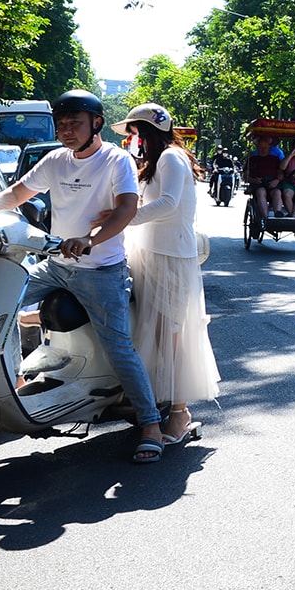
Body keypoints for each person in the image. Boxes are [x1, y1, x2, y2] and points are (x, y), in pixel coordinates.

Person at [0, 90, 167, 464]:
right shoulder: (56, 160)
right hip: (56, 264)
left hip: (102, 271)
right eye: (62, 123)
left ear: (96, 124)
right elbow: (18, 193)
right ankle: (13, 379)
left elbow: (126, 209)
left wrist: (90, 239)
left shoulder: (114, 160)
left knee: (118, 347)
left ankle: (150, 425)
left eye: (75, 123)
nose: (67, 130)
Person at [122, 104, 219, 446]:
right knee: (152, 329)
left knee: (172, 333)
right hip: (148, 252)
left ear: (146, 132)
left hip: (170, 255)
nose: (131, 140)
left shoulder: (171, 157)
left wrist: (124, 218)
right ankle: (158, 401)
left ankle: (181, 411)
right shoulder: (153, 161)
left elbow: (168, 203)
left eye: (134, 132)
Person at [245, 134, 283, 216]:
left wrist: (277, 180)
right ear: (257, 148)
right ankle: (265, 218)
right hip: (258, 184)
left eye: (265, 148)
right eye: (260, 148)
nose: (262, 150)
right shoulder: (252, 159)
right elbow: (246, 175)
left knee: (277, 192)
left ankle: (278, 214)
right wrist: (253, 180)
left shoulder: (275, 159)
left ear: (269, 148)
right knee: (261, 191)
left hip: (272, 183)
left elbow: (281, 173)